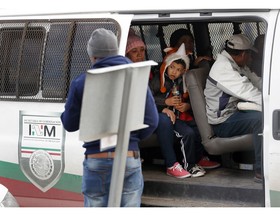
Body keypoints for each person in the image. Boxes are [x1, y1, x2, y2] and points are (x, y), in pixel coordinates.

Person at [60, 28, 159, 207]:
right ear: (117, 50)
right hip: (129, 156)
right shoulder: (137, 77)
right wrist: (132, 140)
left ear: (92, 55)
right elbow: (152, 121)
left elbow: (69, 124)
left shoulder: (81, 82)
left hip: (96, 158)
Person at [150, 43, 218, 179]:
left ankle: (198, 159)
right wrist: (165, 104)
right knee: (187, 134)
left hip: (178, 115)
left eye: (179, 70)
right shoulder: (159, 80)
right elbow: (147, 99)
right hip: (162, 116)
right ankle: (189, 165)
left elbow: (188, 98)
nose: (174, 72)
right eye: (172, 68)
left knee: (198, 128)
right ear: (167, 66)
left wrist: (186, 105)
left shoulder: (181, 82)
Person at [204, 34, 263, 183]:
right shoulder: (223, 69)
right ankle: (261, 171)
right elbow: (248, 91)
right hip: (223, 123)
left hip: (236, 112)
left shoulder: (236, 64)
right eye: (249, 54)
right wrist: (273, 104)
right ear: (243, 54)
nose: (250, 58)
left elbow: (257, 83)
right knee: (261, 120)